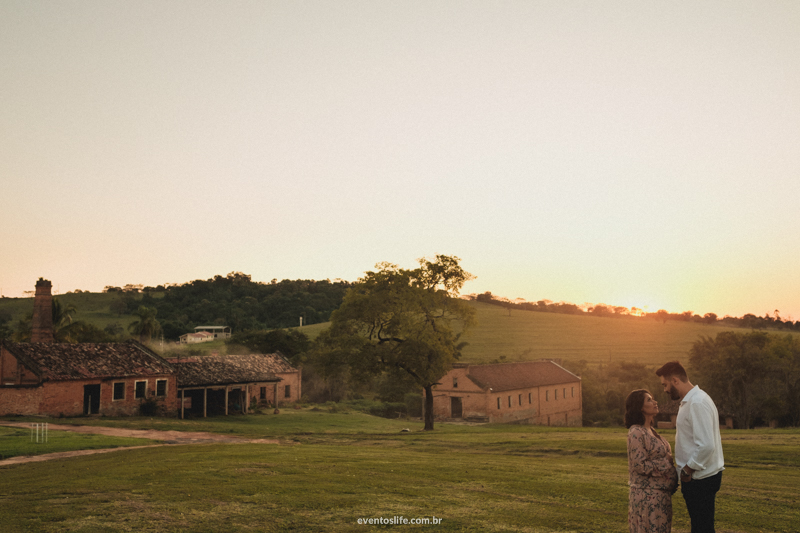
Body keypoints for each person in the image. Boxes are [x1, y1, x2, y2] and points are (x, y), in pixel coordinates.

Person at [656, 361, 724, 533]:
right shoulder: (694, 400)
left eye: (665, 384)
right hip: (700, 477)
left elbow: (707, 445)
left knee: (702, 528)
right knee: (701, 527)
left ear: (675, 380)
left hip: (699, 479)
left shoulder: (696, 403)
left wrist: (687, 470)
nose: (664, 390)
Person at [625, 389, 679, 533]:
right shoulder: (636, 432)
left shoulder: (651, 431)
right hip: (647, 500)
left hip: (661, 497)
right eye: (649, 400)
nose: (654, 402)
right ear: (640, 407)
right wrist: (667, 461)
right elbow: (639, 465)